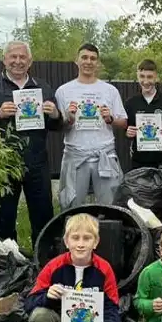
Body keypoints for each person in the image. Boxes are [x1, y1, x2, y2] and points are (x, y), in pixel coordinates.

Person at [0, 40, 62, 245]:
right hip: (4, 162)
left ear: (30, 61)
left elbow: (56, 126)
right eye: (13, 56)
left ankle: (42, 260)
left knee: (43, 215)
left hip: (37, 161)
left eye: (23, 57)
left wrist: (56, 113)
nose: (18, 61)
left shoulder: (42, 87)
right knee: (4, 217)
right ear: (4, 60)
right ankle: (6, 264)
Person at [25, 213, 120, 322]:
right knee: (39, 316)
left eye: (87, 238)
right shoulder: (53, 266)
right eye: (75, 238)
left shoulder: (105, 269)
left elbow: (112, 307)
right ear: (67, 241)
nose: (81, 244)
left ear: (96, 242)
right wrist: (47, 296)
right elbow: (29, 303)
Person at [55, 43, 129, 209]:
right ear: (77, 60)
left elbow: (123, 122)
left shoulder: (110, 90)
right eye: (84, 57)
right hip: (75, 154)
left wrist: (110, 119)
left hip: (104, 154)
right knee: (71, 206)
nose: (88, 62)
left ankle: (108, 234)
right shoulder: (63, 91)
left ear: (98, 63)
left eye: (93, 58)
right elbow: (58, 126)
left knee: (111, 207)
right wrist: (70, 118)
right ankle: (72, 235)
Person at [124, 59, 162, 170]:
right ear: (137, 76)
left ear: (156, 77)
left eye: (149, 77)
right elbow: (126, 129)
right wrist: (128, 132)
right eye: (142, 76)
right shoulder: (131, 102)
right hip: (139, 161)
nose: (145, 81)